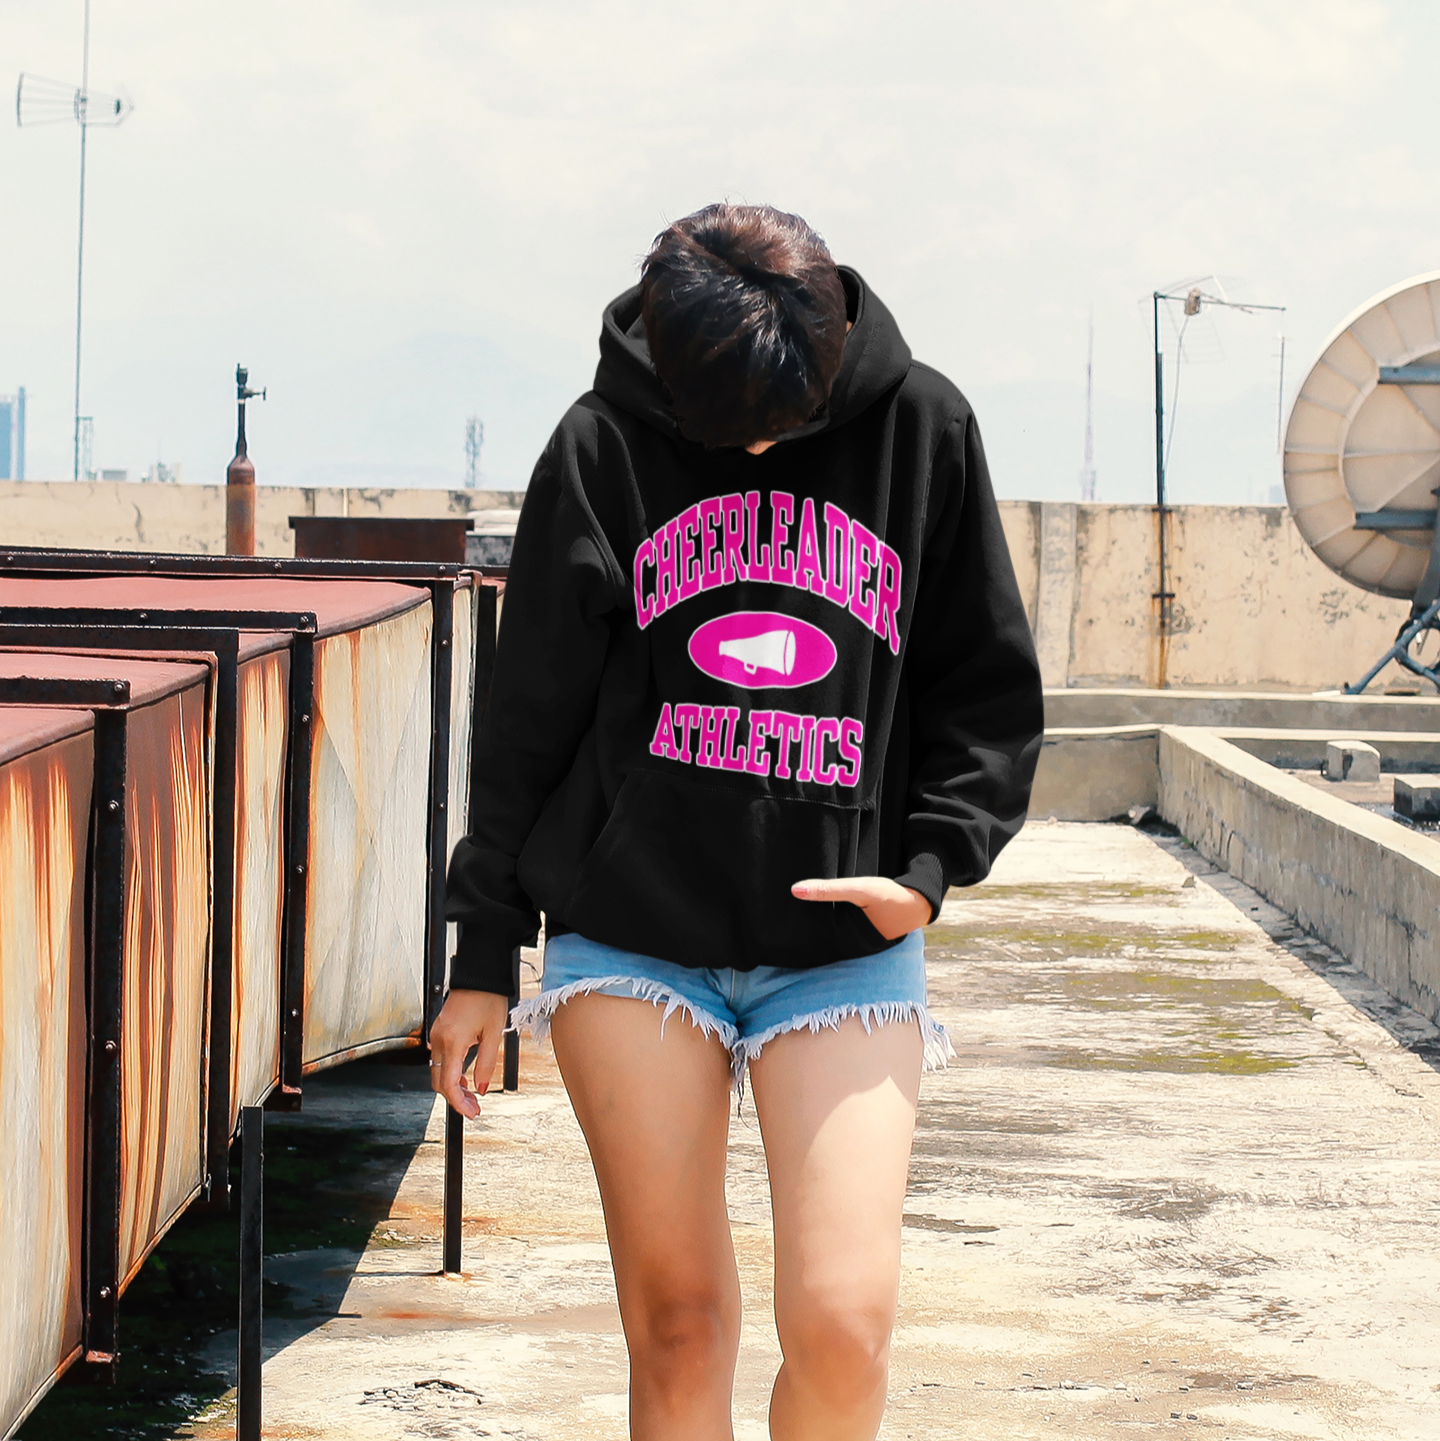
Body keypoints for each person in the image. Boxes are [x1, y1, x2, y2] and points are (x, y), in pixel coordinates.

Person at [431, 202, 1043, 1440]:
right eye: (731, 429)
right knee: (679, 1323)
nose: (761, 447)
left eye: (786, 422)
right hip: (632, 935)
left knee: (844, 1326)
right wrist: (483, 952)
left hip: (843, 943)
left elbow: (983, 684)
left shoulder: (923, 428)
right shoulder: (601, 443)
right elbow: (525, 715)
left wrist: (928, 871)